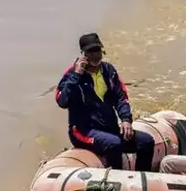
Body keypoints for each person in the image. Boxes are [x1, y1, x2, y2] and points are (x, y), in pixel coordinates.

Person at [55, 33, 155, 171]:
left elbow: (121, 98)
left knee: (146, 142)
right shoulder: (72, 75)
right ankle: (118, 179)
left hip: (109, 129)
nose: (95, 55)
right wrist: (76, 75)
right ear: (83, 54)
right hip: (83, 132)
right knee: (114, 144)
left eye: (97, 50)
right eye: (90, 51)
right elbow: (62, 101)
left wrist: (126, 120)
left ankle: (141, 180)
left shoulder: (109, 71)